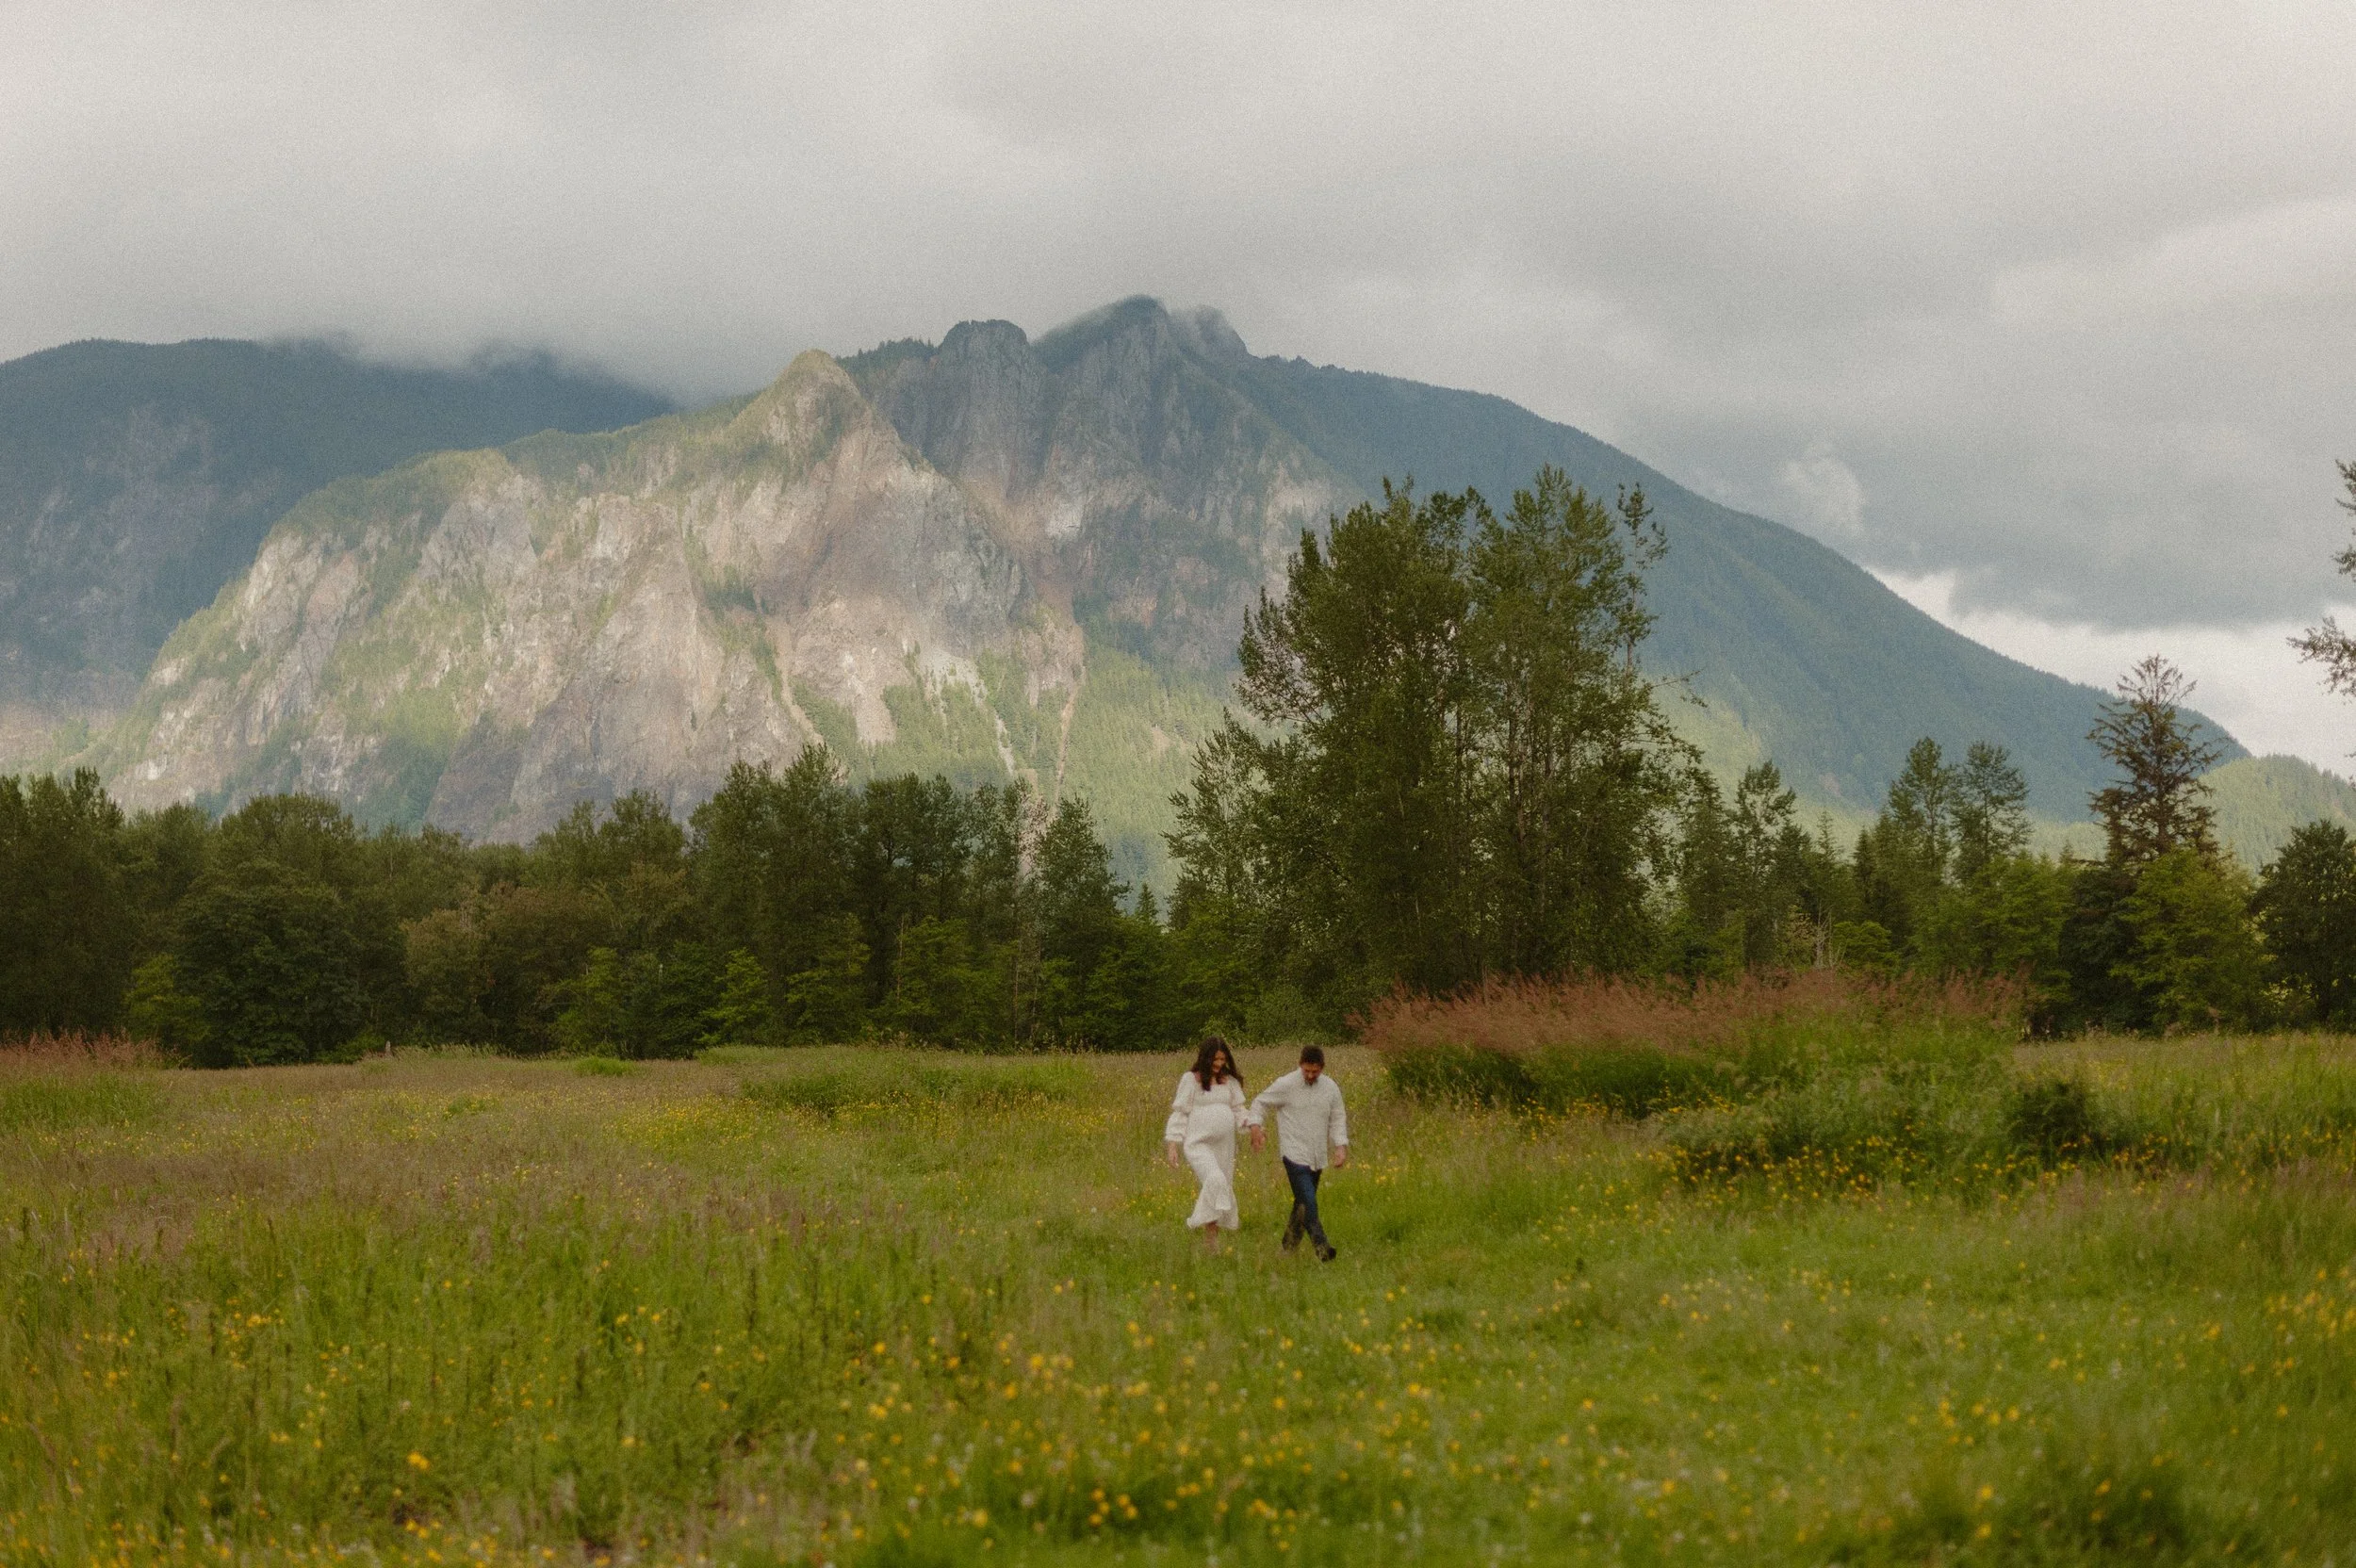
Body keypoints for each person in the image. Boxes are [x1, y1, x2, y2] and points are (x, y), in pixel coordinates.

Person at [1247, 1044, 1349, 1260]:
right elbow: (1260, 1102)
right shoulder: (1286, 1084)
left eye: (1315, 1071)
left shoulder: (1330, 1088)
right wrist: (1255, 1126)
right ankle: (1322, 1247)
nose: (1310, 1075)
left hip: (1317, 1155)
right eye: (1306, 1071)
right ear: (1300, 1065)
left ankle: (1287, 1250)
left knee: (1302, 1203)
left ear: (1322, 1068)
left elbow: (1338, 1118)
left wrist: (1340, 1146)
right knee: (1309, 1200)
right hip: (1293, 1153)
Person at [1165, 1037, 1250, 1251]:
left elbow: (1239, 1110)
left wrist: (1253, 1127)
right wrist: (1173, 1144)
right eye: (1215, 1059)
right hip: (1198, 1144)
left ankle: (1211, 1242)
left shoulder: (1229, 1081)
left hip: (1224, 1145)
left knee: (1219, 1185)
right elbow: (1180, 1113)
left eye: (1223, 1059)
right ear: (1205, 1057)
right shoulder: (1190, 1080)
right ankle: (1202, 1227)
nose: (1219, 1064)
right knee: (1215, 1179)